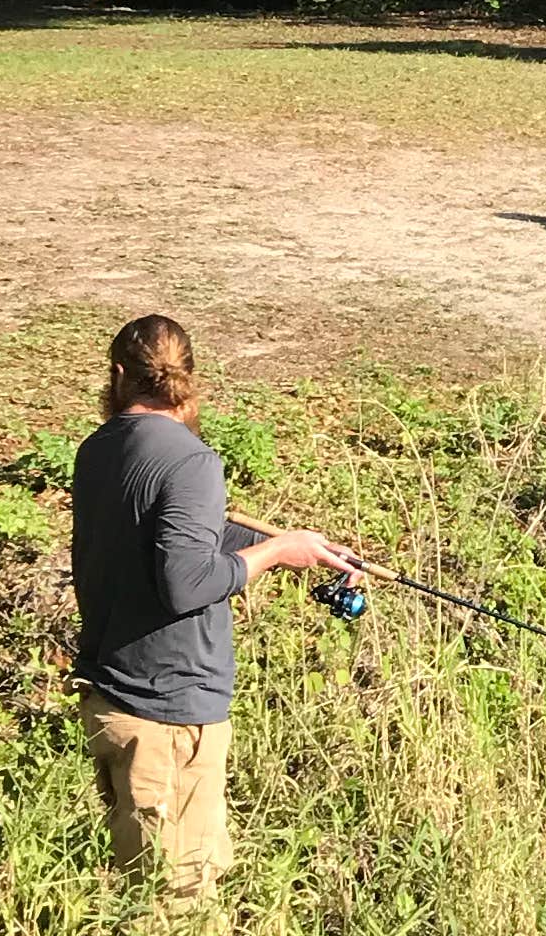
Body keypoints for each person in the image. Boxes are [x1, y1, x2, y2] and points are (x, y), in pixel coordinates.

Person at [70, 313, 350, 900]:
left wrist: (298, 546)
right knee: (180, 898)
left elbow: (173, 541)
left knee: (147, 886)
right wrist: (276, 553)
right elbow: (187, 583)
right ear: (190, 375)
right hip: (169, 714)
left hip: (114, 698)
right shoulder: (192, 461)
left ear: (118, 374)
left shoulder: (96, 450)